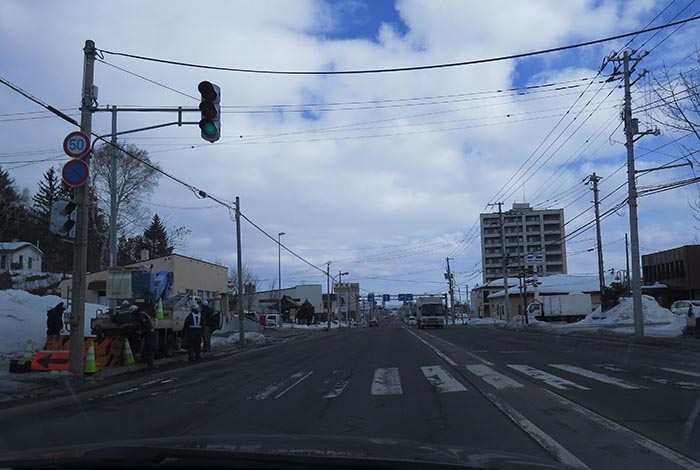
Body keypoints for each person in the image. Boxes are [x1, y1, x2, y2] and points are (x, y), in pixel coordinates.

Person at [131, 305, 156, 369]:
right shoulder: (141, 315)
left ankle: (150, 364)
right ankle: (146, 361)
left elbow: (146, 325)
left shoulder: (141, 315)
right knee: (146, 348)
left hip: (149, 333)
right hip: (148, 333)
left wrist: (140, 331)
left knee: (149, 348)